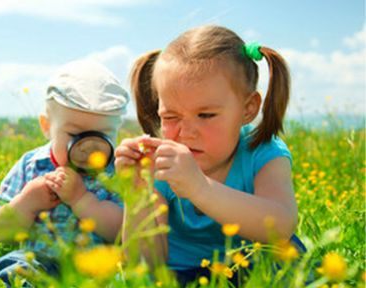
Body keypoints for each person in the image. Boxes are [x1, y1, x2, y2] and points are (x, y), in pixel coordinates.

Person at [115, 25, 305, 286]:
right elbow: (144, 264)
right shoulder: (161, 163)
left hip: (252, 267)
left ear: (248, 109)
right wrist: (136, 192)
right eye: (170, 117)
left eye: (205, 115)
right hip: (182, 275)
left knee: (291, 261)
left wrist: (199, 188)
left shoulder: (264, 152)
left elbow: (281, 227)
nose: (186, 133)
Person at [0, 59, 129, 287]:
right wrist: (26, 202)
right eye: (75, 135)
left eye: (103, 136)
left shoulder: (118, 170)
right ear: (46, 126)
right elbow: (0, 232)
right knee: (13, 270)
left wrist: (83, 201)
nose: (89, 147)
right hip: (39, 262)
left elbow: (124, 233)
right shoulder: (30, 165)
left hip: (98, 268)